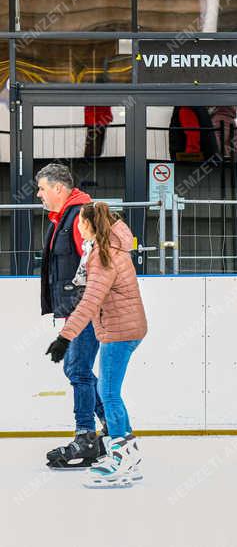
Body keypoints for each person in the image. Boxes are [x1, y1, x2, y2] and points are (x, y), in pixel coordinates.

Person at [44, 202, 148, 487]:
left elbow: (89, 302)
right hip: (126, 327)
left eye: (80, 222)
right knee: (108, 389)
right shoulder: (109, 248)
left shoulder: (103, 256)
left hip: (119, 330)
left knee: (109, 392)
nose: (77, 226)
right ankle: (128, 454)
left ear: (88, 225)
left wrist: (64, 338)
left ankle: (120, 459)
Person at [35, 163, 106, 469]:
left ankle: (86, 437)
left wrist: (83, 309)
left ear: (58, 189)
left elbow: (95, 267)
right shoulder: (63, 218)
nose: (38, 194)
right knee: (76, 369)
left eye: (42, 188)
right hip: (75, 311)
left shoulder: (79, 218)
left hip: (87, 309)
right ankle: (115, 430)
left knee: (77, 369)